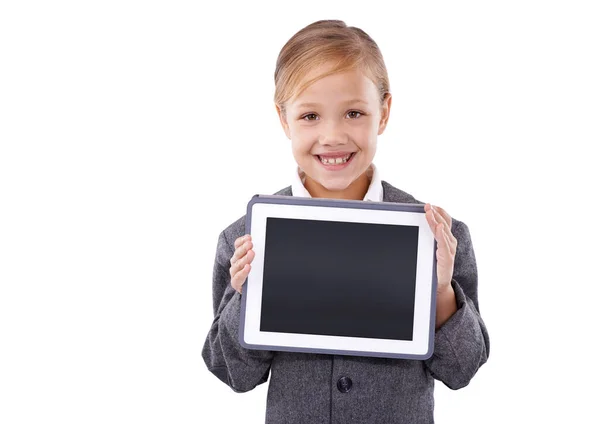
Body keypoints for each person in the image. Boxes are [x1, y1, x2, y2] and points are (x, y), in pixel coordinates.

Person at [202, 19, 489, 424]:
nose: (333, 136)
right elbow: (232, 372)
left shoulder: (439, 236)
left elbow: (462, 370)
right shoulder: (244, 239)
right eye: (310, 116)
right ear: (284, 120)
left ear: (383, 113)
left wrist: (441, 292)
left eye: (353, 112)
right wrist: (248, 297)